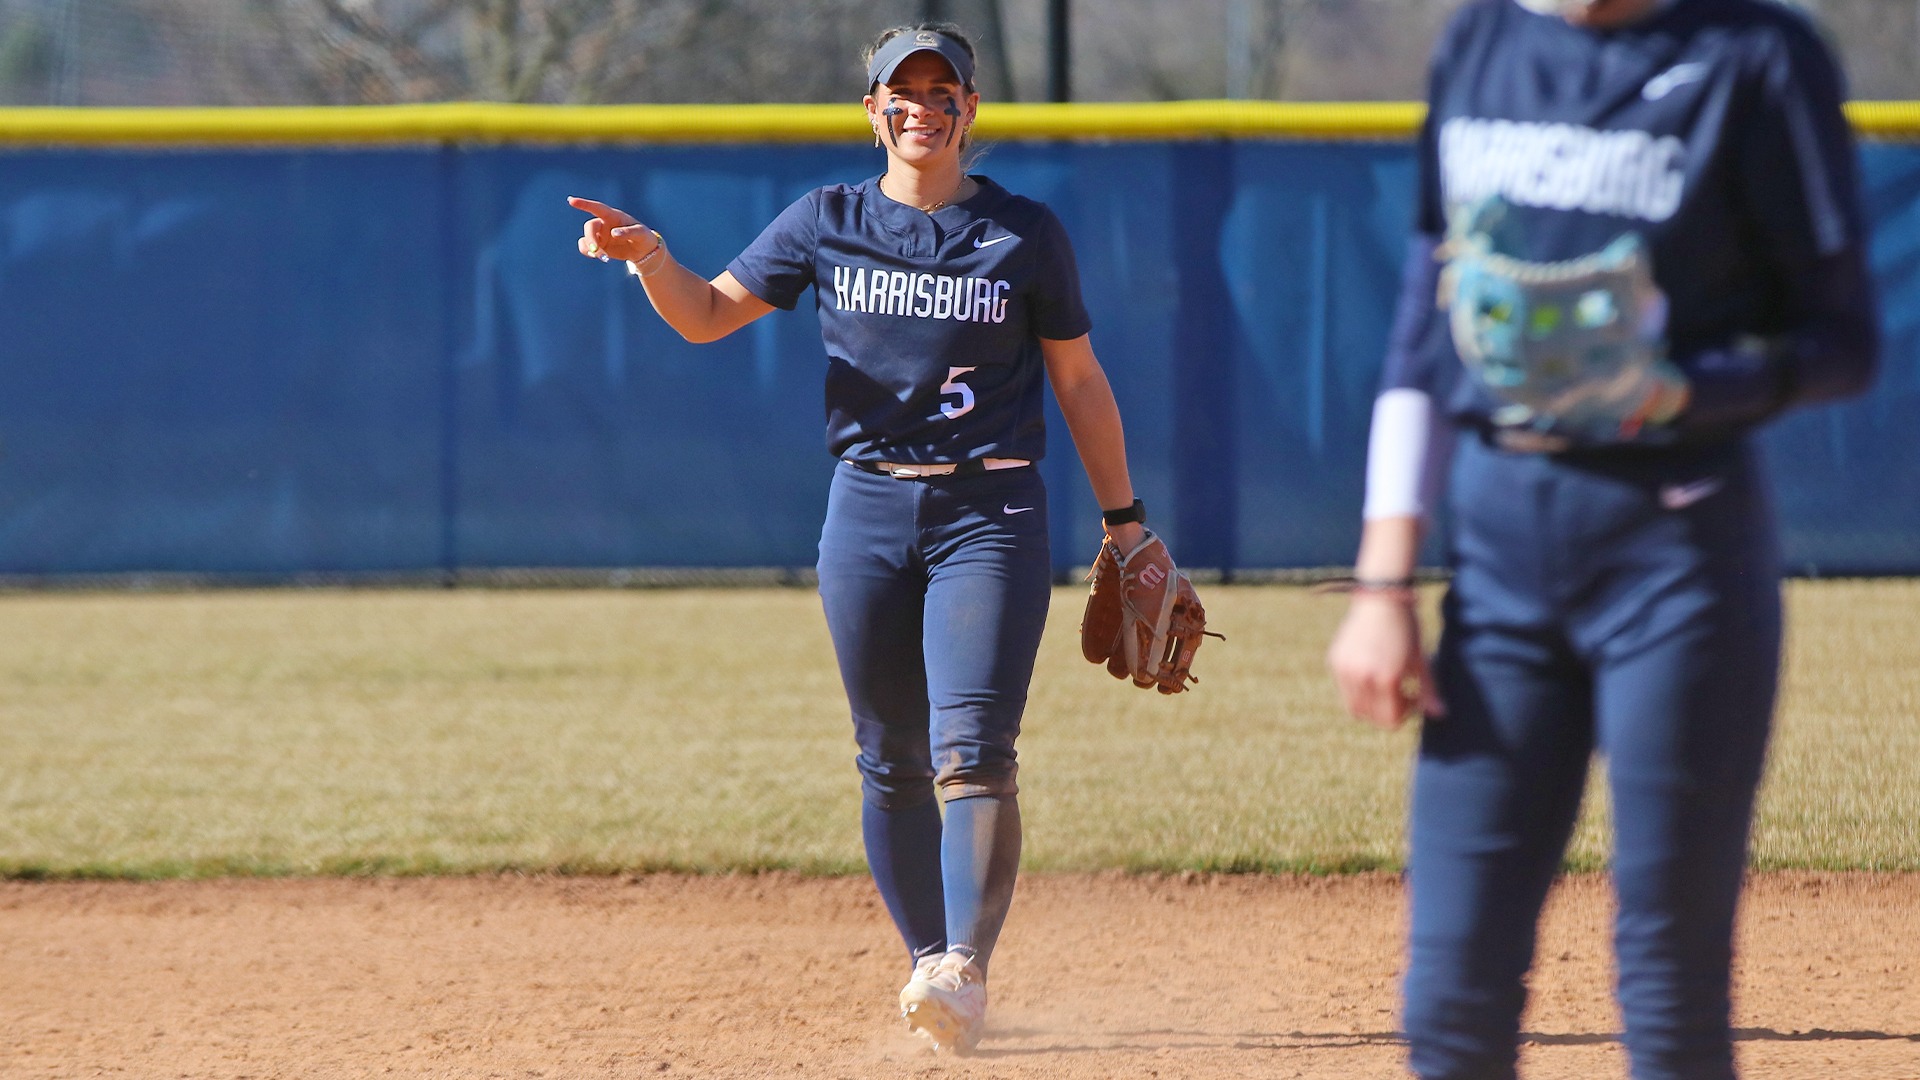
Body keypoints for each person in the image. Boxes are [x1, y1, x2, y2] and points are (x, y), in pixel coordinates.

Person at [569, 22, 1171, 1055]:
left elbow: (1077, 379)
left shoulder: (1025, 235)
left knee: (972, 749)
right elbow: (709, 315)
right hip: (867, 509)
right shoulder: (826, 222)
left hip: (992, 508)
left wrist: (1129, 527)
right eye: (903, 90)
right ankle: (930, 960)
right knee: (888, 754)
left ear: (970, 111)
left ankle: (963, 971)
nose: (922, 107)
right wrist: (653, 261)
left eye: (944, 91)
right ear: (873, 109)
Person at [1325, 0, 1879, 1077]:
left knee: (1668, 985)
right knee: (1450, 994)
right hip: (1497, 559)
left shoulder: (1753, 56)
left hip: (1677, 559)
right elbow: (1422, 318)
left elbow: (1843, 341)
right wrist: (1382, 583)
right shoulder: (1483, 40)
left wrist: (1680, 390)